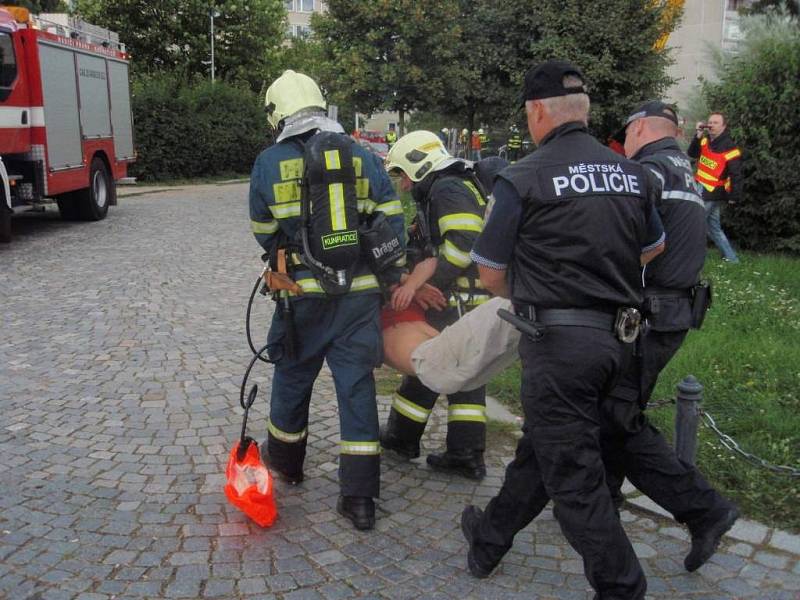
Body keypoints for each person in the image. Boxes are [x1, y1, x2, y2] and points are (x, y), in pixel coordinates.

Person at [459, 59, 667, 599]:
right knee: (543, 449)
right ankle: (488, 540)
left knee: (574, 478)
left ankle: (622, 587)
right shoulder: (633, 173)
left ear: (536, 112)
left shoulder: (523, 175)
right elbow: (655, 247)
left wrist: (540, 292)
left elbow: (489, 275)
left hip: (558, 347)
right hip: (620, 342)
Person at [248, 70, 405, 531]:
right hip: (358, 302)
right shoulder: (360, 154)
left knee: (292, 376)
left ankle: (287, 464)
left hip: (300, 298)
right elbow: (391, 220)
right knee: (356, 390)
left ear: (278, 113)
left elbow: (262, 228)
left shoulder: (269, 162)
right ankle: (359, 501)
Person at [600, 100, 739, 555]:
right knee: (614, 410)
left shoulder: (648, 173)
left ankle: (705, 510)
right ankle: (605, 497)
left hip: (645, 317)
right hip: (671, 313)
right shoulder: (686, 171)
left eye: (627, 133)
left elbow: (624, 243)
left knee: (618, 414)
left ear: (639, 128)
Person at [380, 130, 490, 480]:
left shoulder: (447, 189)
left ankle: (462, 452)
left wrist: (428, 283)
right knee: (438, 362)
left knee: (453, 368)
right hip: (463, 296)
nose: (403, 186)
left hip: (458, 297)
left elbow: (463, 244)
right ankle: (407, 437)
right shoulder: (453, 185)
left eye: (404, 176)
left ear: (420, 166)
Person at [687, 111, 742, 263]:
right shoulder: (705, 141)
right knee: (714, 228)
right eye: (710, 122)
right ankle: (732, 259)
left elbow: (736, 174)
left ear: (724, 126)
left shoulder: (730, 148)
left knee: (694, 223)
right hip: (701, 187)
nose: (711, 125)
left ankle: (689, 258)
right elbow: (692, 153)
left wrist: (734, 196)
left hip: (713, 193)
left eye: (715, 122)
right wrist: (697, 135)